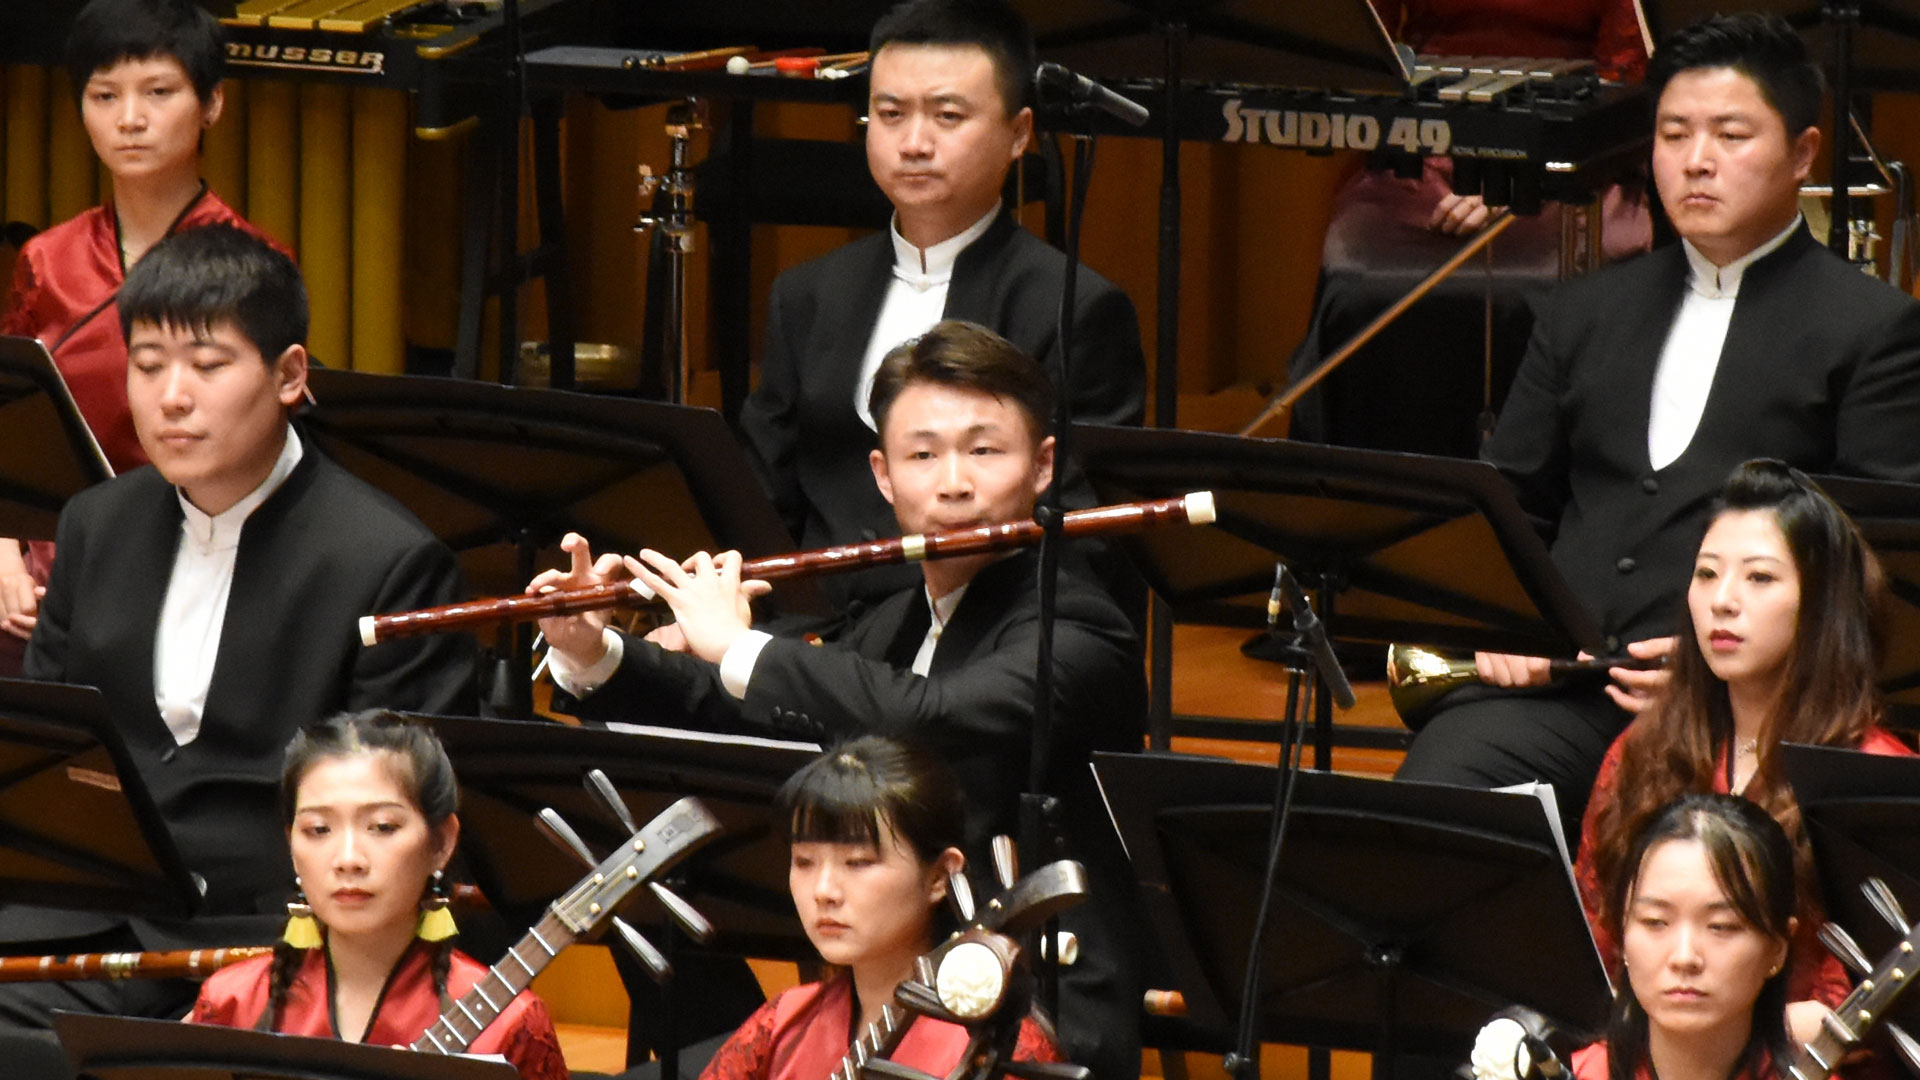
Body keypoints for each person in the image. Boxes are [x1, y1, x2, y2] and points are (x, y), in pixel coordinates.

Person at [536, 320, 1146, 1080]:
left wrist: (738, 644)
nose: (953, 481)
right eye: (923, 454)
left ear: (1044, 465)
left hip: (1025, 1017)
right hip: (874, 1011)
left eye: (984, 450)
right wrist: (593, 649)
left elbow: (931, 718)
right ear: (885, 476)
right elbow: (753, 710)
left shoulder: (1079, 625)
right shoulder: (896, 620)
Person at [1395, 12, 1920, 839]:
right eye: (1673, 135)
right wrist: (1507, 632)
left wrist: (1726, 665)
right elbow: (1509, 507)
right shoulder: (1583, 311)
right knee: (1449, 779)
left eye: (1731, 134)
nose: (1696, 160)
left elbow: (1874, 555)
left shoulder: (1871, 327)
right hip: (1574, 695)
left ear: (1805, 154)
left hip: (1750, 714)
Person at [8, 225, 475, 1047]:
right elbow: (50, 742)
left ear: (290, 375)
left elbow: (397, 816)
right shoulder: (96, 523)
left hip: (274, 941)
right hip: (84, 923)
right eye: (147, 365)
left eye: (208, 364)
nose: (171, 397)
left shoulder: (387, 560)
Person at [737, 0, 1146, 611]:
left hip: (976, 645)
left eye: (947, 115)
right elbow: (762, 498)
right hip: (809, 636)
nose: (915, 143)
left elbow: (1086, 537)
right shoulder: (807, 293)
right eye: (890, 114)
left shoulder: (1074, 306)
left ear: (1019, 134)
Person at [0, 0, 285, 672]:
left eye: (159, 92)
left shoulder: (252, 263)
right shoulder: (46, 259)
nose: (130, 119)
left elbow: (267, 455)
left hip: (194, 562)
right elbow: (8, 421)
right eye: (104, 96)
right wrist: (4, 553)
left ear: (212, 103)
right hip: (46, 569)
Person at [1576, 461, 1912, 1025]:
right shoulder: (1645, 750)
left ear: (1820, 606)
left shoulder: (1875, 774)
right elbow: (1600, 943)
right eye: (1707, 574)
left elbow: (1884, 993)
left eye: (1759, 578)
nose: (1722, 600)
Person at [1287, 0, 1652, 458]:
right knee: (1357, 287)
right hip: (1424, 142)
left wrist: (1524, 179)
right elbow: (1361, 39)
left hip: (1572, 150)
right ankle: (1364, 491)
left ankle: (1542, 494)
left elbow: (1624, 74)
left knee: (1532, 294)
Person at [190, 710, 567, 1080]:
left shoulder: (509, 1024)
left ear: (441, 842)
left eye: (382, 827)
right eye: (319, 829)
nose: (348, 859)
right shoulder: (231, 1003)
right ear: (292, 845)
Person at [699, 737, 1059, 1080]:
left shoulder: (1004, 1046)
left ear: (939, 875)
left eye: (857, 862)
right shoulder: (783, 1023)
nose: (823, 891)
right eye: (804, 861)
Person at [1570, 794, 1800, 1080]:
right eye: (1655, 922)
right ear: (1622, 933)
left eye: (1721, 926)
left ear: (1778, 949)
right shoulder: (1577, 1073)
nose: (1684, 957)